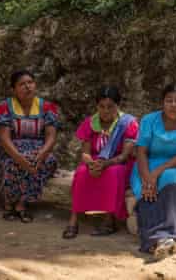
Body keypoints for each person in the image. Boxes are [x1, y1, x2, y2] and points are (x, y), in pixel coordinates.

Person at [130, 84, 176, 259]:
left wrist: (155, 174)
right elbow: (141, 151)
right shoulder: (150, 120)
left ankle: (164, 236)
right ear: (162, 102)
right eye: (169, 100)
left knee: (168, 175)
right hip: (149, 164)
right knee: (144, 185)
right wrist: (147, 177)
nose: (173, 104)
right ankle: (161, 241)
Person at [63, 86, 139, 239]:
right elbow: (85, 153)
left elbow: (124, 156)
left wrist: (105, 164)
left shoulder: (128, 123)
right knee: (81, 173)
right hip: (97, 162)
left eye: (110, 107)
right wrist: (91, 164)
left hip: (120, 164)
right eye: (101, 106)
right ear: (96, 106)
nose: (105, 110)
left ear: (118, 106)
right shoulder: (91, 123)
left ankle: (109, 220)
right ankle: (74, 219)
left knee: (112, 173)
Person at [0, 70, 59, 222]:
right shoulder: (4, 107)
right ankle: (9, 202)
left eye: (30, 82)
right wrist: (19, 158)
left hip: (38, 150)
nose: (27, 87)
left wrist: (42, 154)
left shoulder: (47, 107)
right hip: (11, 149)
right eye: (22, 84)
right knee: (12, 164)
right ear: (13, 89)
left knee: (47, 162)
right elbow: (4, 138)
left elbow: (51, 136)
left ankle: (22, 204)